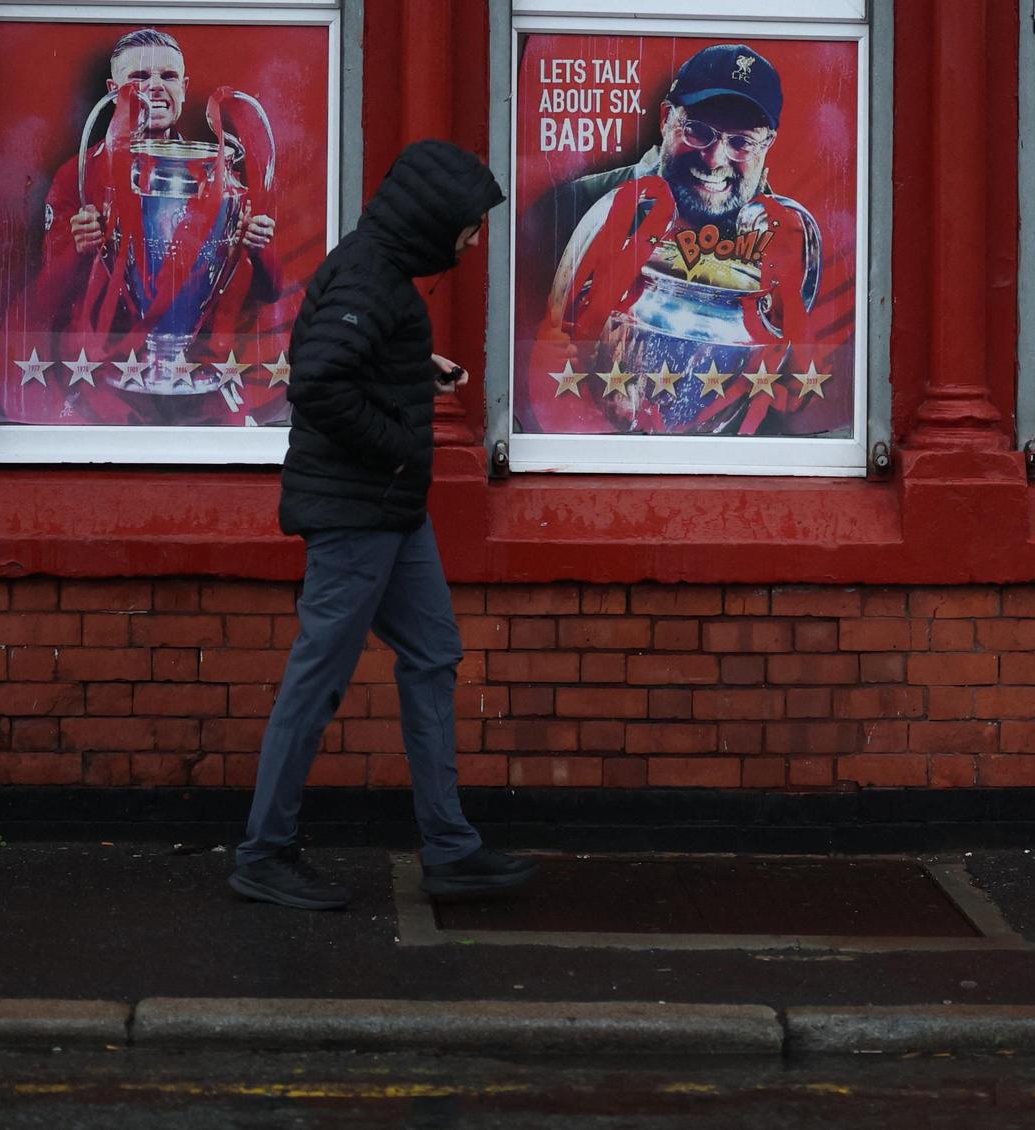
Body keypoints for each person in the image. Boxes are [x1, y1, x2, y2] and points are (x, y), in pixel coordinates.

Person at [227, 139, 531, 912]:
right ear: (432, 221)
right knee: (318, 680)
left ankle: (451, 850)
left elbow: (323, 347)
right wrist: (402, 450)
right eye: (467, 227)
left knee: (431, 653)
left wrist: (413, 367)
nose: (472, 240)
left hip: (389, 510)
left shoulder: (379, 272)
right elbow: (319, 382)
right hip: (358, 510)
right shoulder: (370, 273)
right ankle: (264, 854)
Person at [518, 43, 823, 436]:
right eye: (698, 131)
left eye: (741, 142)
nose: (714, 159)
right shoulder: (570, 209)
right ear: (666, 119)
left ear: (768, 146)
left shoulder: (788, 244)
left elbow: (798, 404)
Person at [5, 27, 282, 423]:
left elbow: (268, 293)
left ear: (184, 89)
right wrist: (77, 249)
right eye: (138, 78)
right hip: (100, 377)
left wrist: (260, 247)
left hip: (199, 375)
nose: (154, 87)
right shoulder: (79, 175)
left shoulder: (220, 175)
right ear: (112, 88)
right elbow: (47, 301)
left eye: (168, 77)